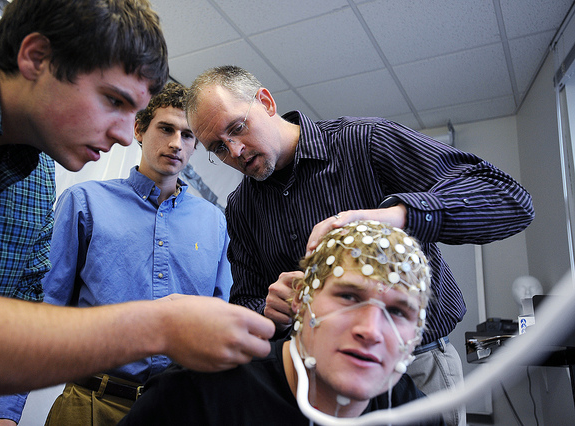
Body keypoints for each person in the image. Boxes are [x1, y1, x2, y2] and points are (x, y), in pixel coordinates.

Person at [0, 0, 274, 419]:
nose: (119, 134)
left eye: (188, 136)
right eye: (113, 100)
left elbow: (28, 310)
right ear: (36, 57)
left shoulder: (35, 181)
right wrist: (158, 327)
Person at [185, 65, 535, 426]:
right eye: (219, 148)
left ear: (266, 102)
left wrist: (392, 217)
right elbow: (247, 302)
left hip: (414, 369)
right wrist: (268, 310)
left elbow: (508, 199)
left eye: (237, 129)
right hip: (312, 384)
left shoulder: (365, 143)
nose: (236, 151)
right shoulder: (241, 208)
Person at [0, 82, 233, 425]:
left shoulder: (214, 223)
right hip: (89, 405)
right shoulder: (85, 203)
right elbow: (42, 308)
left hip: (177, 410)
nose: (176, 143)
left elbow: (220, 325)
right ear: (139, 129)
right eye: (166, 128)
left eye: (188, 135)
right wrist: (3, 414)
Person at [119, 220, 445, 425]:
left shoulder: (418, 415)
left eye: (399, 312)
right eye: (348, 297)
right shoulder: (197, 395)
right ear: (301, 299)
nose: (371, 330)